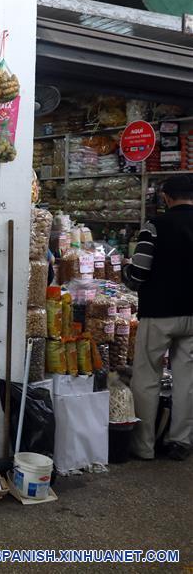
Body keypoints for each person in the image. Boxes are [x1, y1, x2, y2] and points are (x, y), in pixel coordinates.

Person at [124, 174, 193, 462]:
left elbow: (139, 273)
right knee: (186, 379)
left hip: (159, 313)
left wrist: (126, 274)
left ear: (165, 198)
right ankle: (181, 441)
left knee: (147, 376)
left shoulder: (155, 227)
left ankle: (144, 446)